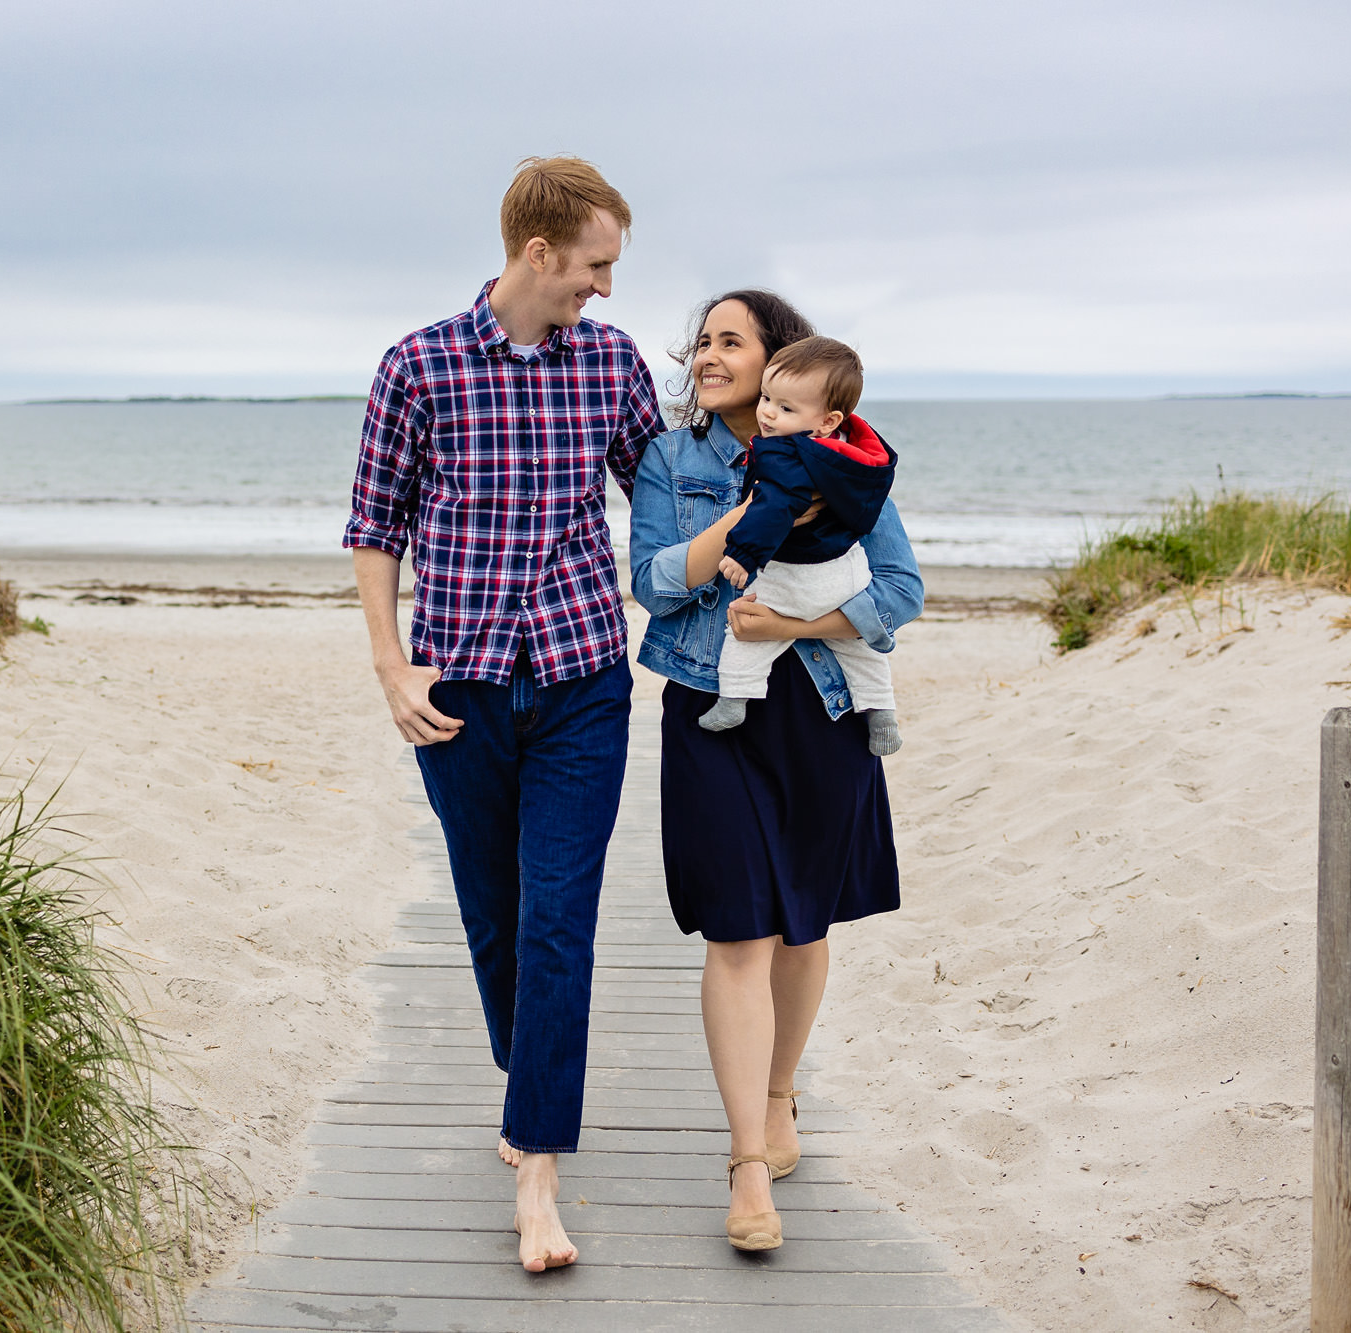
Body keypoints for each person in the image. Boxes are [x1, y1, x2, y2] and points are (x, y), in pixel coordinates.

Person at [343, 155, 664, 1273]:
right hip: (460, 692)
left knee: (558, 919)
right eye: (595, 265)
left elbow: (665, 496)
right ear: (538, 253)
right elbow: (374, 530)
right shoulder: (419, 366)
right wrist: (391, 666)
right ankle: (526, 1079)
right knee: (493, 915)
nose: (606, 289)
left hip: (583, 681)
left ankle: (537, 1170)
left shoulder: (613, 364)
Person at [628, 290, 922, 1252]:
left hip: (823, 713)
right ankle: (747, 1161)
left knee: (802, 925)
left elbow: (900, 590)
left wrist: (796, 625)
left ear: (780, 361)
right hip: (712, 708)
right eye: (701, 342)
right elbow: (655, 582)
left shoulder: (852, 460)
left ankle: (781, 1091)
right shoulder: (673, 458)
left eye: (728, 342)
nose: (705, 358)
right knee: (736, 929)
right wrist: (753, 514)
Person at [699, 336, 902, 755]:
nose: (769, 413)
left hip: (793, 576)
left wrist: (742, 553)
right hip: (846, 573)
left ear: (827, 420)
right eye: (768, 398)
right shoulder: (854, 455)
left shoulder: (787, 454)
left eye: (786, 408)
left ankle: (735, 699)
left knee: (745, 636)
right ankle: (881, 712)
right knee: (860, 651)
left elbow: (776, 505)